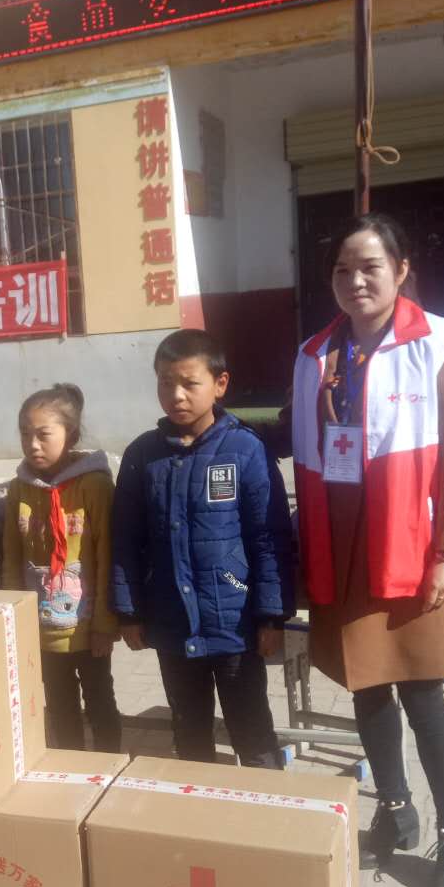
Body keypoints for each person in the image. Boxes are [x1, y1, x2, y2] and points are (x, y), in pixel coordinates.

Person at [291, 213, 444, 887]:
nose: (355, 281)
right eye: (343, 270)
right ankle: (396, 810)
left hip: (413, 550)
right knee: (366, 689)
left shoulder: (440, 343)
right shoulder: (316, 354)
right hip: (344, 552)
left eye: (370, 266)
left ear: (401, 271)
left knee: (424, 698)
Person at [111, 329, 295, 769]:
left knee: (252, 730)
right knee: (189, 732)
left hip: (234, 623)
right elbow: (126, 538)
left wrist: (271, 615)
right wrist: (129, 612)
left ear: (220, 384)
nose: (176, 395)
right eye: (165, 382)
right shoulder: (142, 455)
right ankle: (200, 805)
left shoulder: (245, 450)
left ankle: (267, 802)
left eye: (189, 383)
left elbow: (269, 536)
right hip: (171, 624)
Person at [3, 384, 122, 753]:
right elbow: (11, 557)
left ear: (70, 434)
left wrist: (105, 625)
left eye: (43, 434)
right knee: (59, 703)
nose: (32, 444)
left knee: (99, 699)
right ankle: (71, 766)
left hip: (88, 629)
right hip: (41, 628)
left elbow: (107, 556)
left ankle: (107, 765)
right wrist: (14, 621)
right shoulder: (19, 489)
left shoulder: (95, 486)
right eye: (25, 434)